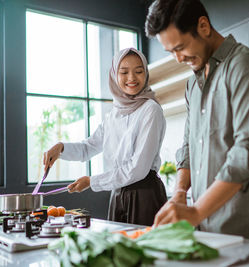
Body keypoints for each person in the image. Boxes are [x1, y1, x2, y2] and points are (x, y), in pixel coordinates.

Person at [145, 0, 249, 241]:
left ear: (203, 26)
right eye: (170, 52)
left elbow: (247, 153)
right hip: (203, 232)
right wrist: (180, 193)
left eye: (180, 47)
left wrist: (195, 211)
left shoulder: (245, 66)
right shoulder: (192, 84)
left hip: (241, 231)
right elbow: (188, 147)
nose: (178, 59)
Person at [43, 48, 167, 226]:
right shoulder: (113, 114)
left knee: (144, 250)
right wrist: (61, 148)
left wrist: (91, 182)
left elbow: (138, 169)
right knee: (117, 250)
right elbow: (88, 148)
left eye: (139, 71)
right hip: (117, 192)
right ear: (114, 75)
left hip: (144, 193)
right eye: (124, 72)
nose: (131, 78)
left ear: (145, 74)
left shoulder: (151, 109)